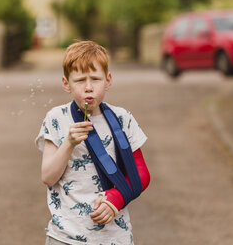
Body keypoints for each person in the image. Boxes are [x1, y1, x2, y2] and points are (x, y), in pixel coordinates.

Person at [35, 40, 151, 245]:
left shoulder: (122, 118)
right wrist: (68, 143)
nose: (88, 88)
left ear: (108, 81)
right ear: (66, 83)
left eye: (95, 79)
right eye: (80, 80)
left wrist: (116, 199)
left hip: (115, 237)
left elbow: (140, 174)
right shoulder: (56, 119)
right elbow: (48, 177)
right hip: (65, 237)